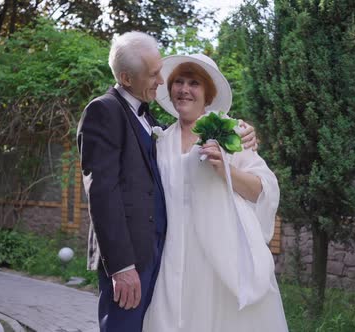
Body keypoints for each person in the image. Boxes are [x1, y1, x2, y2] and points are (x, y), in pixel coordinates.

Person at [76, 32, 258, 332]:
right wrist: (121, 267)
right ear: (126, 77)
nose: (161, 81)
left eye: (160, 71)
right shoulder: (104, 111)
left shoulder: (154, 125)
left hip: (164, 258)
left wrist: (245, 133)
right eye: (153, 74)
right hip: (130, 260)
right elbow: (102, 193)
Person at [142, 54, 289, 331]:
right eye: (179, 82)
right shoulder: (159, 141)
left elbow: (264, 189)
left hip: (219, 252)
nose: (184, 89)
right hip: (171, 254)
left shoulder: (230, 133)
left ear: (208, 95)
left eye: (194, 83)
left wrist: (226, 171)